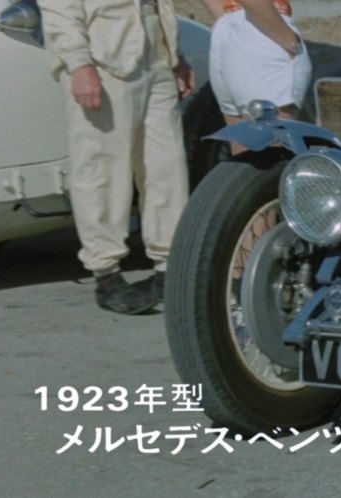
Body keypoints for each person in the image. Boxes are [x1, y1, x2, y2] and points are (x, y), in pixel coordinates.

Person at [38, 0, 195, 314]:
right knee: (102, 170)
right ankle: (106, 274)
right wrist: (79, 64)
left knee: (167, 168)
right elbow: (59, 7)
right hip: (102, 57)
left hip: (155, 56)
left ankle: (169, 267)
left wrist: (174, 53)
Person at [200, 0, 311, 152]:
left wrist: (232, 19)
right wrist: (291, 41)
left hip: (231, 27)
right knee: (272, 159)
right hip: (263, 32)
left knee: (246, 163)